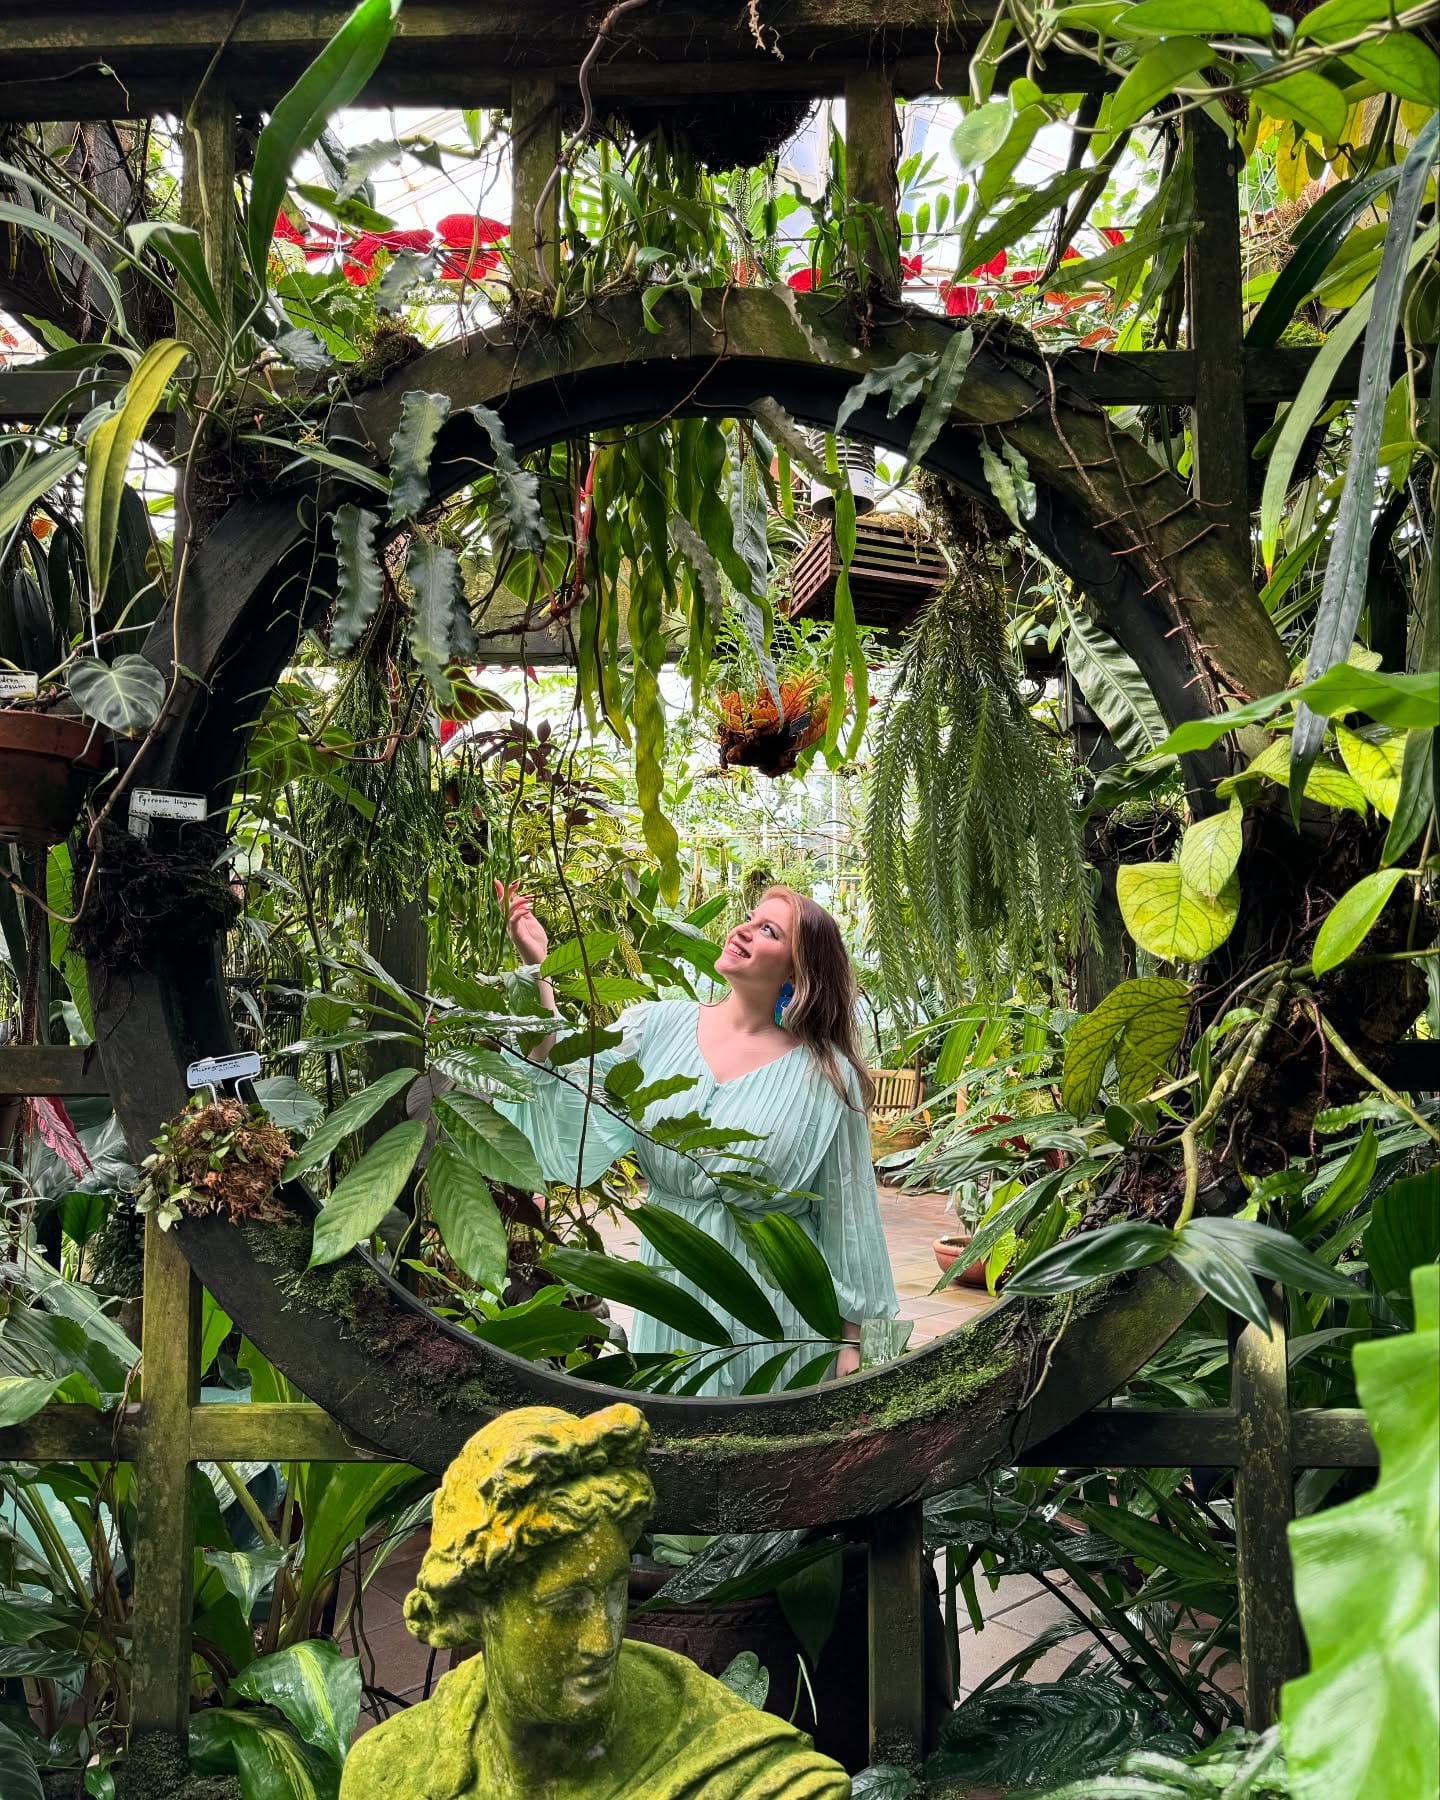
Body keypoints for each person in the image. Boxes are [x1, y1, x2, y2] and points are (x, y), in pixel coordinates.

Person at [493, 880, 899, 1393]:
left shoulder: (827, 1076)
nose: (745, 930)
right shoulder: (659, 1026)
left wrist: (855, 1343)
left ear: (797, 970)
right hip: (674, 1288)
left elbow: (850, 1213)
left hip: (777, 1309)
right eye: (750, 918)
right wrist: (538, 966)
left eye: (768, 930)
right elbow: (561, 1073)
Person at [340, 1403, 850, 1798]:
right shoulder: (393, 1772)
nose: (602, 1640)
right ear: (477, 1608)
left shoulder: (737, 1772)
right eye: (564, 1606)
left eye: (614, 1593)